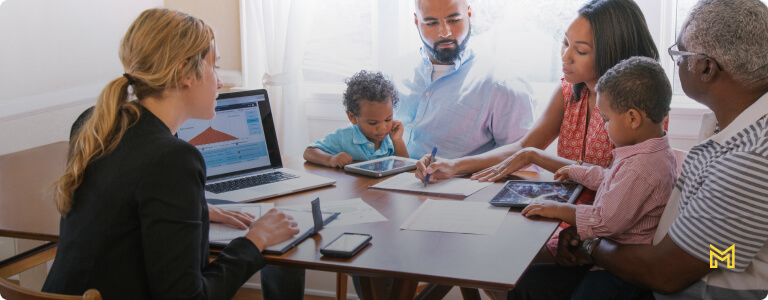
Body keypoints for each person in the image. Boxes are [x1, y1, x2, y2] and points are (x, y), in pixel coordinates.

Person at [42, 8, 300, 299]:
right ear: (184, 73)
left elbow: (123, 212)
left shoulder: (94, 124)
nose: (219, 82)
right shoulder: (173, 159)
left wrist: (195, 210)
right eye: (214, 66)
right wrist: (256, 240)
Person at [416, 0, 662, 257]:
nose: (565, 57)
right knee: (485, 245)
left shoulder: (641, 109)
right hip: (560, 216)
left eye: (580, 51)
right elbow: (525, 146)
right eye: (565, 43)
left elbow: (621, 192)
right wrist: (454, 166)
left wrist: (534, 158)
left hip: (608, 232)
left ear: (611, 53)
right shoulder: (568, 91)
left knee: (498, 256)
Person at [563, 0, 768, 298]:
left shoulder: (750, 157)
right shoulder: (738, 125)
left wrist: (590, 246)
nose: (676, 62)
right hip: (669, 263)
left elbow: (666, 272)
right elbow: (727, 250)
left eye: (679, 54)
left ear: (706, 68)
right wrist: (721, 254)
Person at [513, 56, 676, 299]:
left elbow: (604, 221)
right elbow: (612, 179)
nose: (605, 126)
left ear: (633, 118)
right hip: (604, 257)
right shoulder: (651, 150)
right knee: (528, 284)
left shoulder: (641, 167)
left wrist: (557, 209)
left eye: (607, 119)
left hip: (619, 274)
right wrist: (576, 170)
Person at [390, 0, 536, 160]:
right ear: (417, 22)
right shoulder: (395, 72)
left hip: (456, 184)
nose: (445, 32)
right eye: (431, 23)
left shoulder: (502, 85)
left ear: (469, 14)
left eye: (454, 20)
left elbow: (523, 165)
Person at [304, 70, 408, 167]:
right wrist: (330, 159)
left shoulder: (390, 139)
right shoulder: (345, 137)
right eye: (373, 123)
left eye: (388, 120)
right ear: (352, 117)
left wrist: (398, 141)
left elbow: (405, 168)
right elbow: (309, 152)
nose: (382, 128)